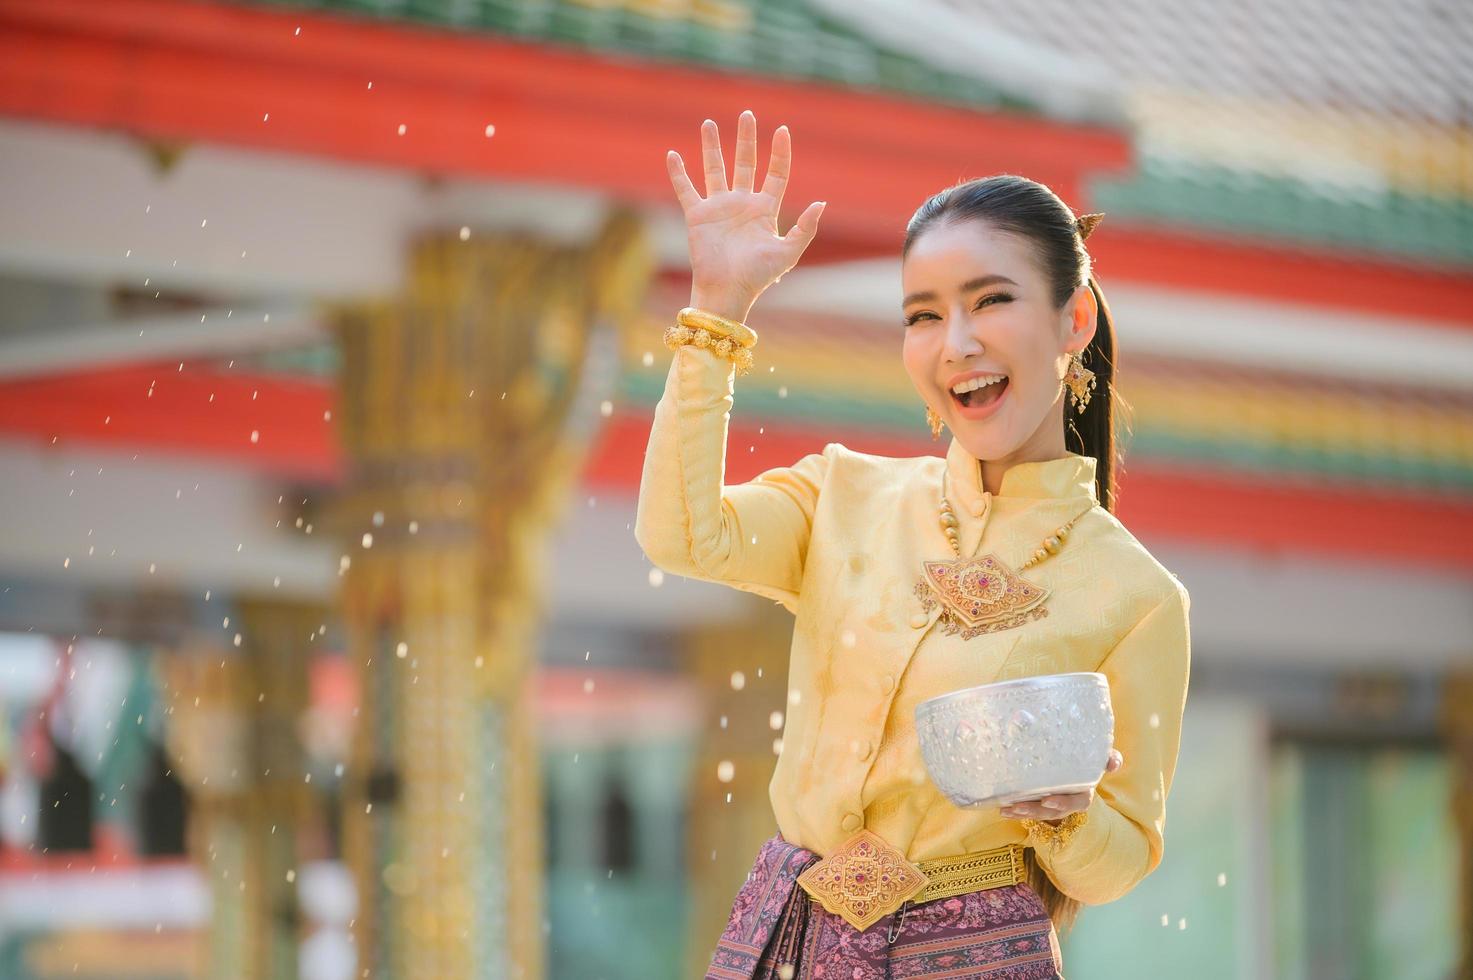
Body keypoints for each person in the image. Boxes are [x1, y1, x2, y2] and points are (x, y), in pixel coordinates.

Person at [636, 110, 1192, 979]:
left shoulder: (1136, 594)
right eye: (923, 315)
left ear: (1072, 320)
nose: (957, 344)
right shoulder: (842, 493)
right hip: (789, 945)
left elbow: (1123, 857)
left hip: (971, 957)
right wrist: (716, 312)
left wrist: (1066, 814)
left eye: (992, 300)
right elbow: (679, 535)